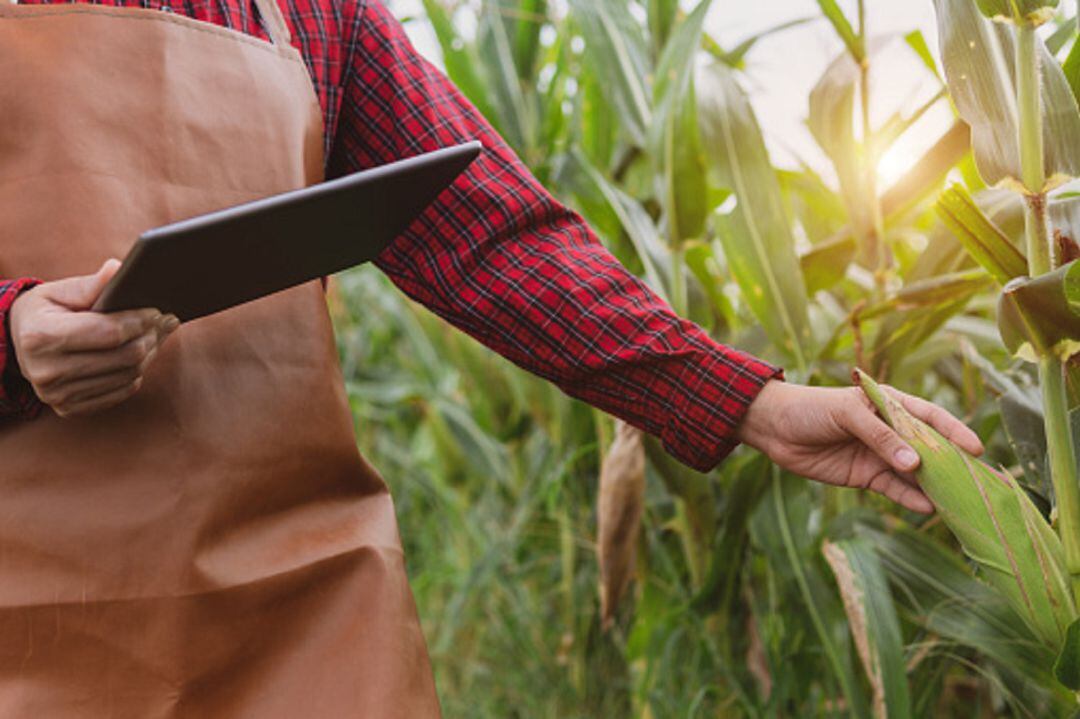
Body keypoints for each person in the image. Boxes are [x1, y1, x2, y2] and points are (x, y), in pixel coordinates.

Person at [0, 0, 982, 715]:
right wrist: (9, 336)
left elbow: (491, 239)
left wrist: (755, 403)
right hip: (32, 616)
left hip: (300, 607)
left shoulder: (313, 12)